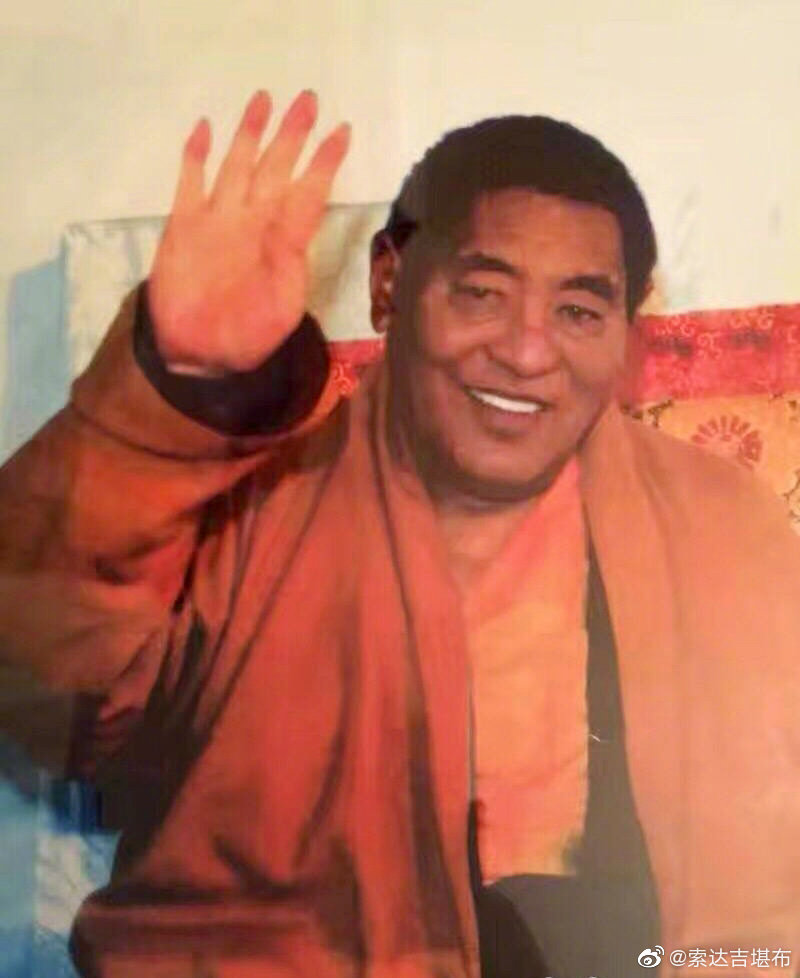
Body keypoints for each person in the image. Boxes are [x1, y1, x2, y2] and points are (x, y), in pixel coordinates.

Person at [0, 88, 799, 978]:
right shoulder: (251, 500)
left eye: (578, 312)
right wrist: (166, 392)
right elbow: (49, 702)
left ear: (627, 332)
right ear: (390, 282)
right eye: (483, 294)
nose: (527, 352)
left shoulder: (723, 523)